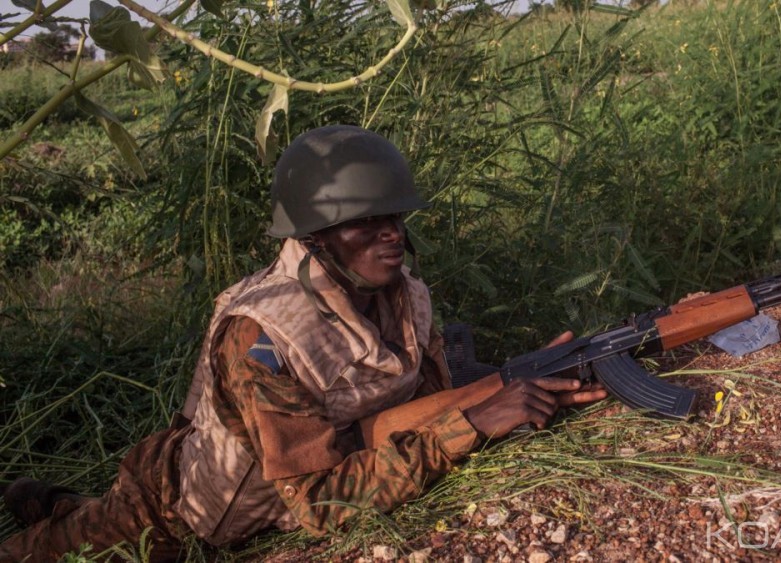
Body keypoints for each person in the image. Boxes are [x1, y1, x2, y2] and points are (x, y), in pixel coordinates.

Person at [0, 125, 606, 561]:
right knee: (51, 550)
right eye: (365, 222)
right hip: (176, 509)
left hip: (288, 476)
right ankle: (50, 511)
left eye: (395, 218)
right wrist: (472, 424)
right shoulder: (262, 335)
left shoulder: (404, 295)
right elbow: (318, 505)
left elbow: (427, 402)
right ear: (314, 238)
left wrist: (520, 379)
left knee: (73, 515)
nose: (390, 235)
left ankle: (47, 499)